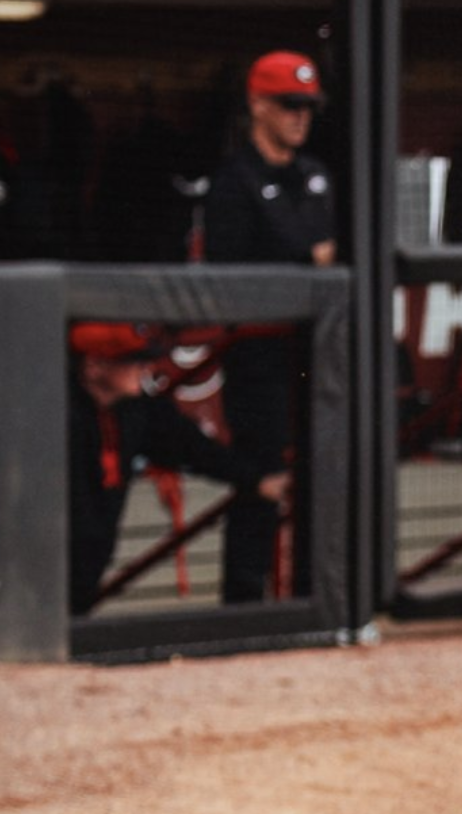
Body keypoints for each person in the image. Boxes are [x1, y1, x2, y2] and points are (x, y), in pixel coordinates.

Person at [204, 49, 334, 603]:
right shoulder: (232, 181)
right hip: (256, 360)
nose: (299, 117)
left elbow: (329, 253)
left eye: (306, 106)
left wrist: (300, 251)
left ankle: (313, 607)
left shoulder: (316, 176)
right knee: (257, 487)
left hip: (316, 357)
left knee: (317, 488)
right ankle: (243, 610)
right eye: (288, 105)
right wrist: (305, 253)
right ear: (257, 104)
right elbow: (234, 272)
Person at [68, 322, 289, 616]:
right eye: (132, 361)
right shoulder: (56, 416)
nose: (145, 368)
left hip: (86, 571)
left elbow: (192, 447)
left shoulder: (134, 411)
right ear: (94, 366)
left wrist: (256, 479)